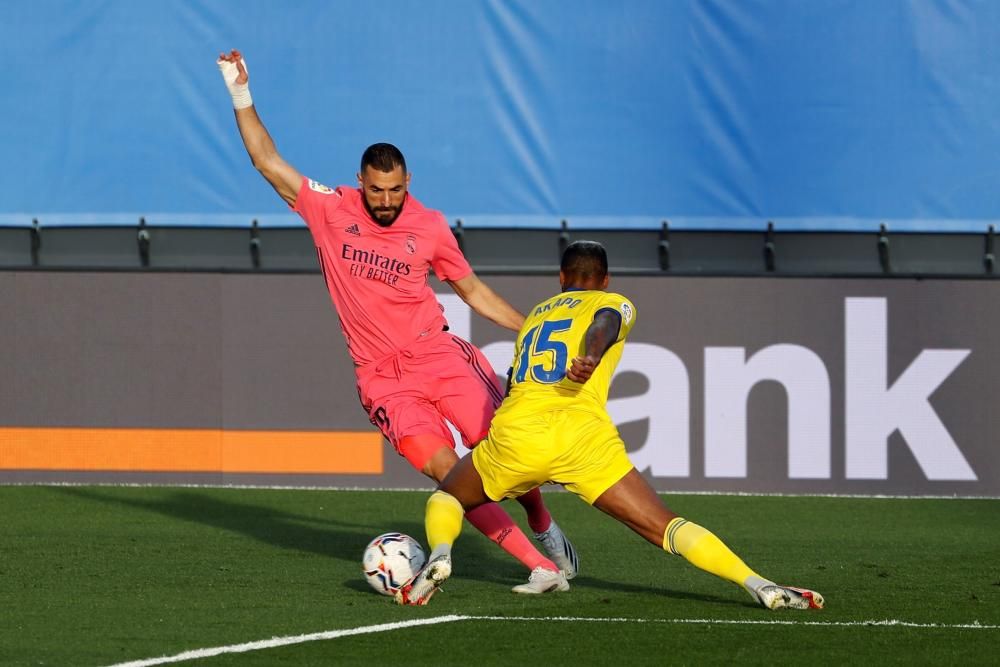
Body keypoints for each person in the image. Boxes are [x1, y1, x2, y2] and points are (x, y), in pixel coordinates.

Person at [216, 49, 577, 592]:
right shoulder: (329, 208)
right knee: (450, 474)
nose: (386, 201)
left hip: (440, 355)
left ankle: (543, 524)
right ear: (360, 181)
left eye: (396, 190)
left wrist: (534, 328)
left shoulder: (430, 227)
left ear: (409, 181)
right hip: (382, 378)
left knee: (501, 452)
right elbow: (267, 160)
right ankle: (542, 568)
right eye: (376, 190)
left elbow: (472, 290)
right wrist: (240, 93)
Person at [396, 240, 825, 610]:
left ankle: (440, 554)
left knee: (449, 496)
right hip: (584, 439)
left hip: (520, 435)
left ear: (561, 277)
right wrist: (592, 356)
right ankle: (758, 583)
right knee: (665, 526)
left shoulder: (537, 316)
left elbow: (516, 381)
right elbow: (606, 323)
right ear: (606, 279)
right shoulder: (613, 300)